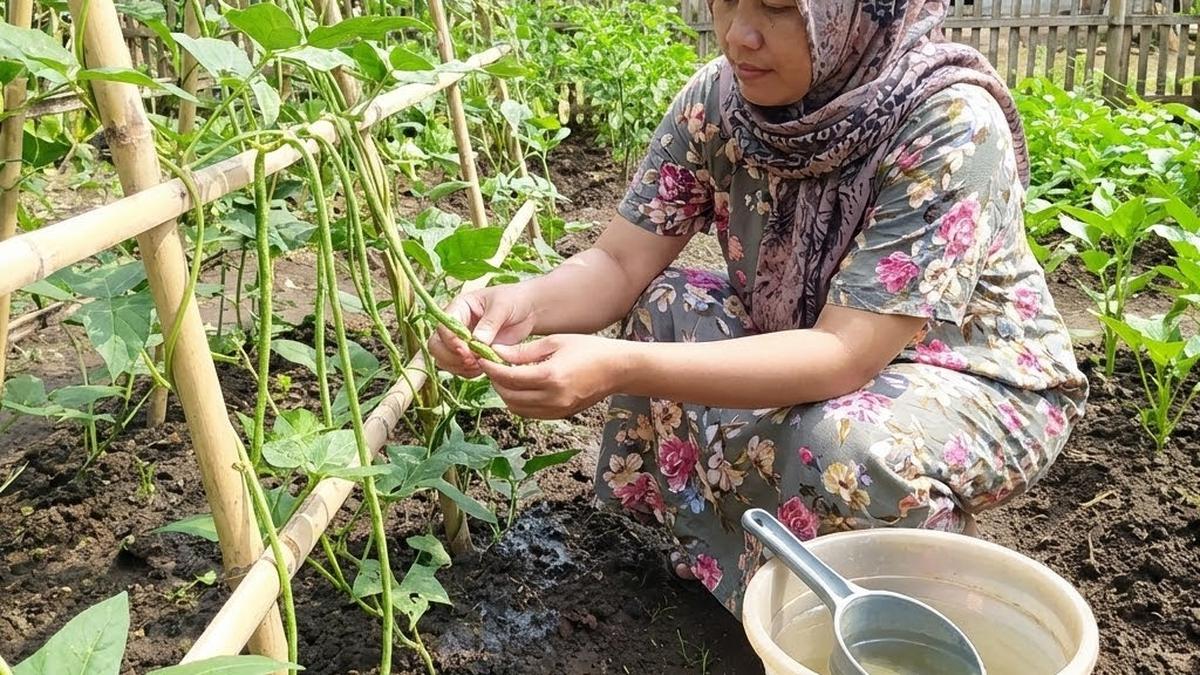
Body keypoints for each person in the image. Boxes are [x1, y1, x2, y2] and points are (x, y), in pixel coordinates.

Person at [429, 0, 1087, 615]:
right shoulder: (722, 102)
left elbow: (843, 354)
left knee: (841, 445)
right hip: (810, 341)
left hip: (972, 376)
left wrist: (618, 366)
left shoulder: (948, 122)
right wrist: (519, 302)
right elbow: (621, 263)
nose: (739, 32)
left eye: (776, 7)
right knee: (668, 306)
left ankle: (899, 598)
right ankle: (736, 564)